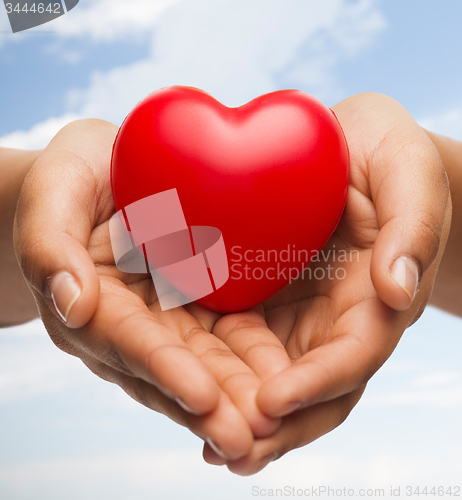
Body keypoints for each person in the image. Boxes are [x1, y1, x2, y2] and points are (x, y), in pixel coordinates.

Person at [0, 92, 456, 476]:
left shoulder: (322, 144)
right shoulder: (144, 150)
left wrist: (419, 187)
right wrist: (46, 212)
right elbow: (147, 221)